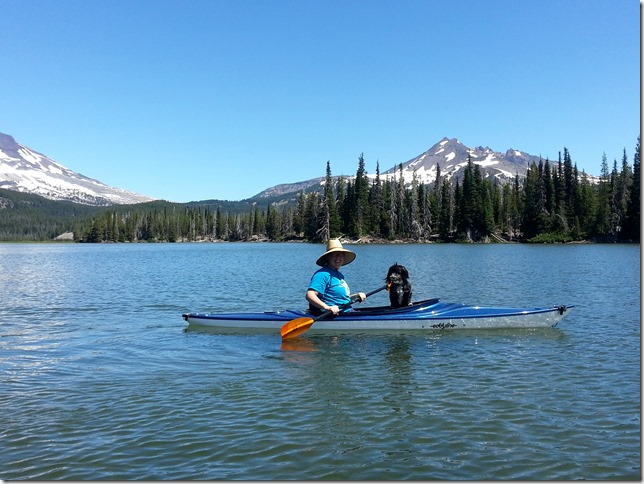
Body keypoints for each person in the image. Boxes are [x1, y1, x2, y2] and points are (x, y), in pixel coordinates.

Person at [306, 239, 366, 315]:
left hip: (347, 312)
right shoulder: (322, 274)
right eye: (334, 255)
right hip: (332, 315)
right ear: (328, 257)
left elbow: (340, 300)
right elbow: (310, 295)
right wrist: (327, 307)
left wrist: (356, 296)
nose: (338, 258)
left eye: (340, 255)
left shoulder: (340, 275)